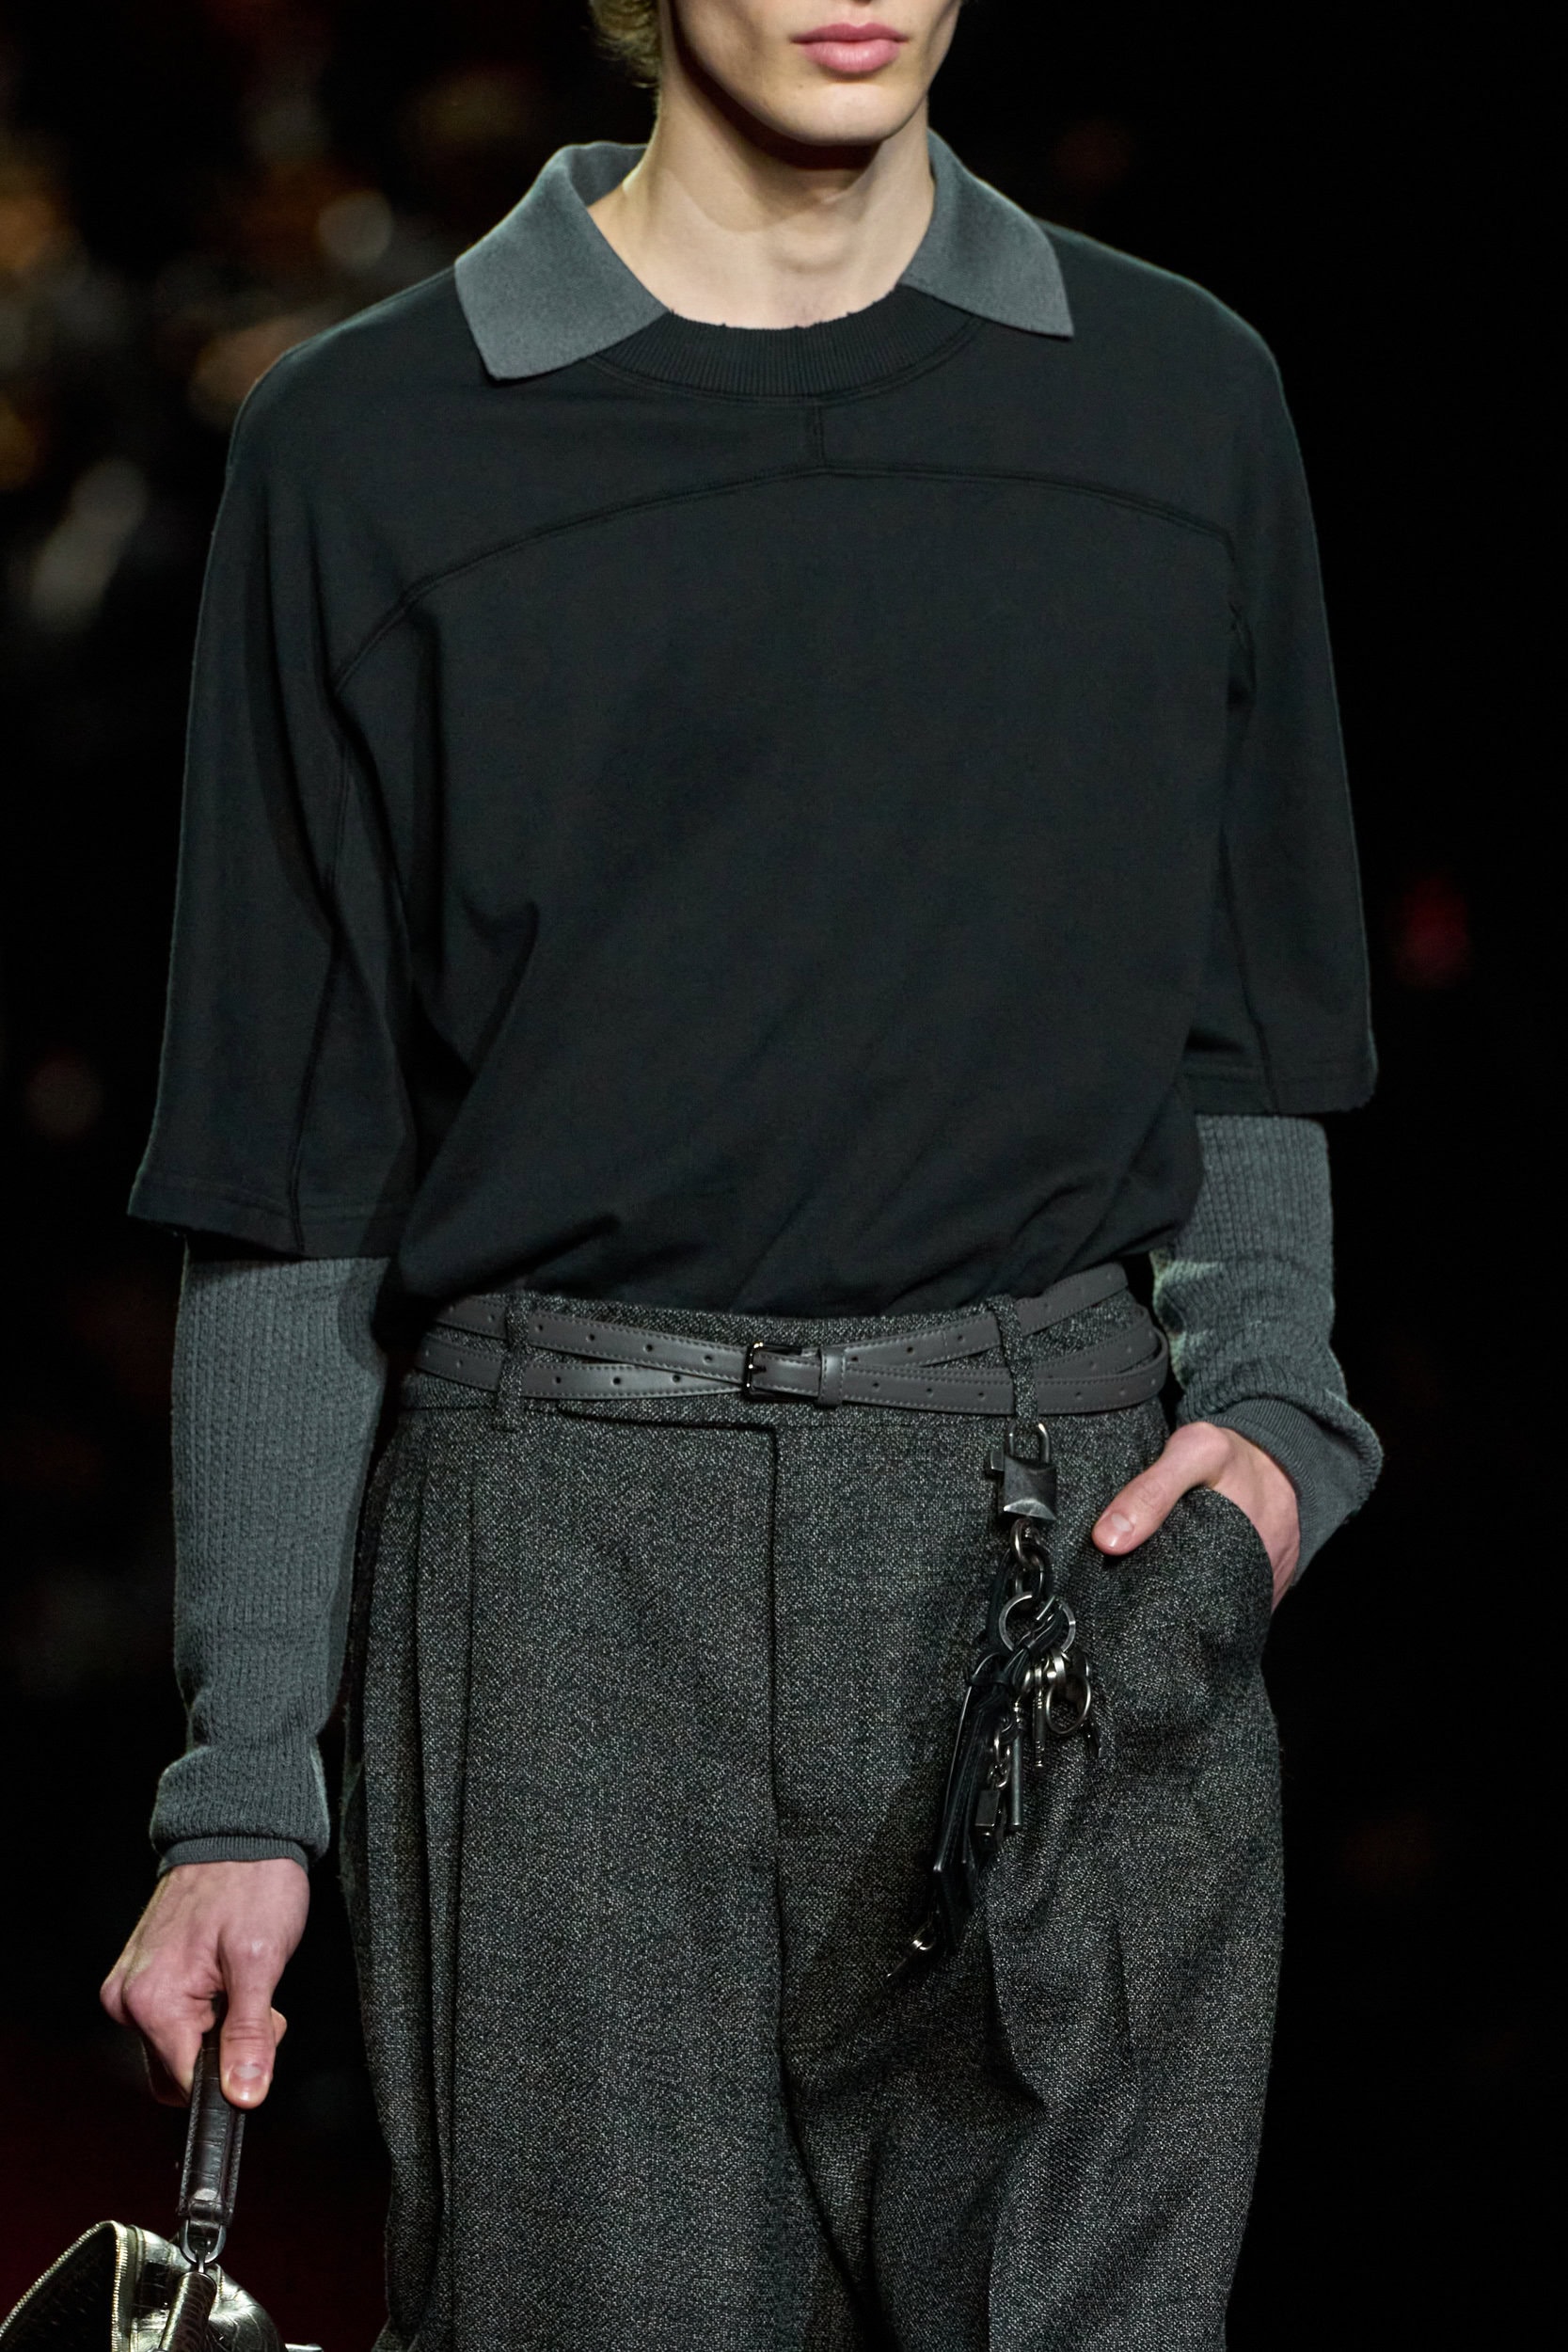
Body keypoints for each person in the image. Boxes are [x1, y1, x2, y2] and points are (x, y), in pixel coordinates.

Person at [101, 3, 1381, 2344]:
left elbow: (1244, 1024)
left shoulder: (1177, 399)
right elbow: (295, 1173)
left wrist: (1273, 1428)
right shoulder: (371, 441)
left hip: (1067, 1544)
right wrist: (243, 1782)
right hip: (568, 1580)